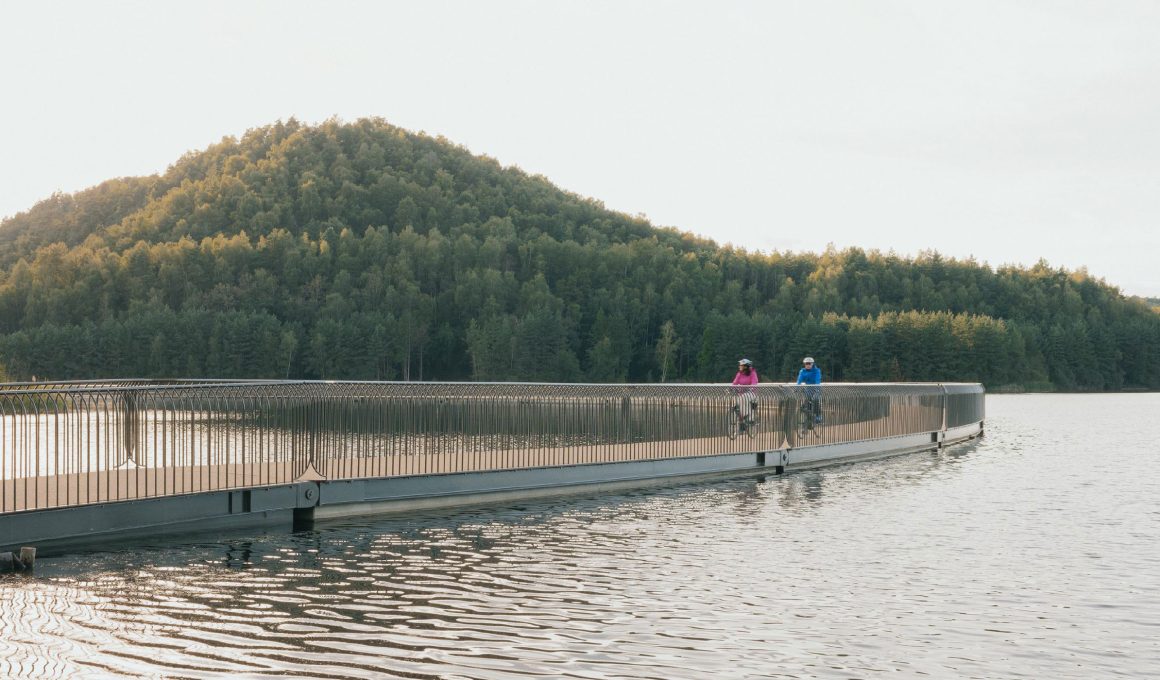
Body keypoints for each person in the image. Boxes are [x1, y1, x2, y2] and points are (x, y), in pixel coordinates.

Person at [732, 358, 759, 428]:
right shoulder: (739, 374)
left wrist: (750, 389)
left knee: (743, 399)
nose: (739, 367)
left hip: (751, 393)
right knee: (736, 403)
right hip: (742, 394)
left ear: (746, 367)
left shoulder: (753, 373)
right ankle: (742, 423)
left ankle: (749, 417)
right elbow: (735, 383)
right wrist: (731, 388)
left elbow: (754, 383)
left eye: (741, 365)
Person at [796, 356, 822, 423]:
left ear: (812, 364)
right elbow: (799, 380)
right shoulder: (802, 371)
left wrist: (817, 388)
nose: (807, 365)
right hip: (808, 389)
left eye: (809, 363)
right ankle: (808, 418)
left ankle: (818, 416)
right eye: (806, 364)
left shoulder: (817, 370)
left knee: (815, 399)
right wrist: (797, 388)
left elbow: (817, 380)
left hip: (816, 388)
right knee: (806, 403)